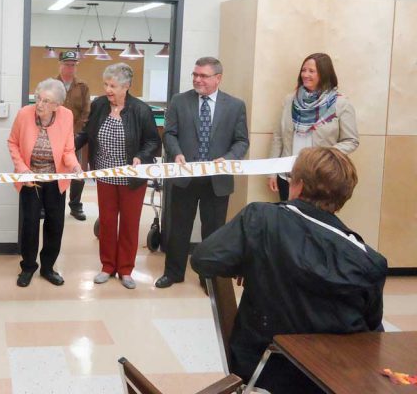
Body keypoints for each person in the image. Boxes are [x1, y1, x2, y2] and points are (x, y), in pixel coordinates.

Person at [191, 147, 387, 394]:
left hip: (262, 371)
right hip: (332, 381)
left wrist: (251, 261)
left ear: (298, 185)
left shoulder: (261, 219)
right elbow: (371, 333)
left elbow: (203, 259)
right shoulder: (370, 261)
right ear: (344, 196)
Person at [155, 56, 248, 291]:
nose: (197, 80)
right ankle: (173, 273)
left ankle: (209, 278)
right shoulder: (179, 101)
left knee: (214, 232)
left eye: (203, 76)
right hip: (186, 176)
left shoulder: (235, 106)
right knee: (178, 228)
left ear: (218, 78)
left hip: (217, 180)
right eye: (195, 75)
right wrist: (175, 153)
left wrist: (227, 160)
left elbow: (241, 141)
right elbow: (170, 134)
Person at [76, 63, 159, 289]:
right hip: (105, 175)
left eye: (113, 85)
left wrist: (141, 156)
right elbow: (86, 133)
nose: (108, 89)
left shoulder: (141, 110)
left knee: (130, 225)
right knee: (108, 222)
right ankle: (107, 266)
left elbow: (153, 140)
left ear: (127, 86)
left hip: (132, 178)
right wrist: (65, 148)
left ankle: (125, 270)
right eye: (106, 84)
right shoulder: (100, 105)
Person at [8, 78, 82, 287]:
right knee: (30, 224)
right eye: (38, 98)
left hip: (56, 179)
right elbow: (12, 143)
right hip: (30, 179)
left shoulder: (66, 116)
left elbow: (68, 150)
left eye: (47, 101)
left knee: (55, 224)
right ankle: (28, 267)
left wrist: (75, 166)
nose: (40, 104)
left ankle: (48, 268)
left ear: (57, 106)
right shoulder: (24, 113)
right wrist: (23, 170)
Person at [268, 52, 358, 201]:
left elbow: (351, 140)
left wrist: (323, 155)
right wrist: (272, 172)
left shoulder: (341, 104)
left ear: (324, 73)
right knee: (288, 221)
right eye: (303, 70)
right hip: (288, 177)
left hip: (319, 179)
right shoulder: (290, 100)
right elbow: (278, 137)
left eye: (311, 71)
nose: (305, 74)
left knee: (311, 222)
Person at [56, 50, 90, 221]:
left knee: (78, 171)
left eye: (73, 65)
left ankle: (75, 206)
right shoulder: (52, 84)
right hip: (54, 136)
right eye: (67, 64)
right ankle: (48, 205)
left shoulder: (82, 86)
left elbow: (86, 112)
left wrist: (76, 134)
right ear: (60, 65)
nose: (70, 68)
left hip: (76, 136)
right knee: (52, 169)